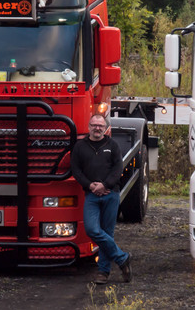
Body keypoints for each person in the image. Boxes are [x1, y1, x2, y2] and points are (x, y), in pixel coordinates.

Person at [71, 114, 132, 284]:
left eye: (100, 125)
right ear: (88, 126)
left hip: (111, 194)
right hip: (91, 195)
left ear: (105, 128)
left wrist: (105, 185)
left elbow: (118, 168)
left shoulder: (112, 145)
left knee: (107, 232)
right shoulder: (80, 146)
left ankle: (103, 272)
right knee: (92, 230)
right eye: (94, 125)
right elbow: (76, 170)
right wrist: (91, 186)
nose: (97, 128)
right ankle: (122, 258)